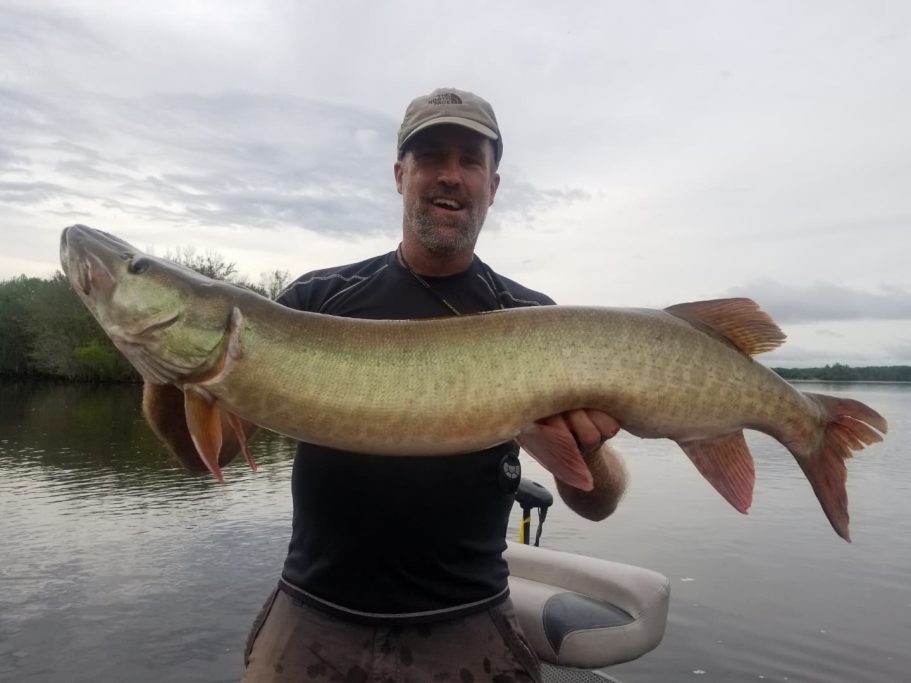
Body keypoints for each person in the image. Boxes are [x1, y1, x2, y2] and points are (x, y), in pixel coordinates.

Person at [142, 88, 628, 683]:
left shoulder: (534, 320)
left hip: (469, 625)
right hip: (313, 618)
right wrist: (162, 367)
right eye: (430, 158)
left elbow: (599, 503)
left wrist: (590, 449)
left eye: (470, 160)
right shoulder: (317, 303)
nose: (450, 176)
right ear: (401, 175)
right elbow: (204, 458)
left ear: (493, 185)